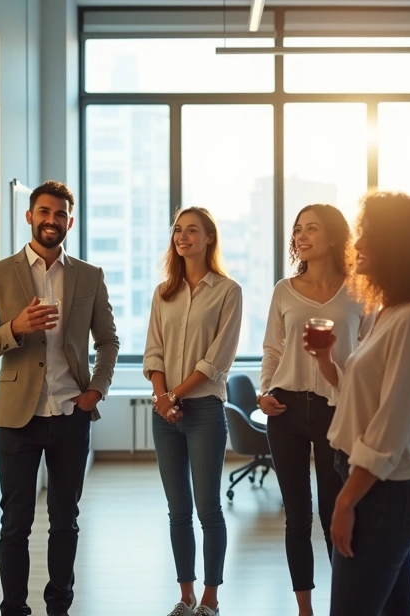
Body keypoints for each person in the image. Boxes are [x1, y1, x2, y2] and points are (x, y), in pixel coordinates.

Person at [315, 191, 410, 616]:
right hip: (374, 484)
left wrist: (345, 501)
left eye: (368, 235)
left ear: (397, 246)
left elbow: (390, 425)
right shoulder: (387, 312)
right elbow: (356, 394)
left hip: (386, 492)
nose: (357, 244)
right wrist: (326, 360)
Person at [0, 180, 119, 616]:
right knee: (15, 524)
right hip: (18, 416)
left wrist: (97, 388)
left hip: (72, 412)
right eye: (44, 212)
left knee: (65, 521)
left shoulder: (89, 275)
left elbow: (107, 340)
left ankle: (60, 608)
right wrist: (16, 327)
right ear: (29, 215)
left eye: (60, 215)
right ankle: (13, 609)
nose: (51, 221)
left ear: (70, 222)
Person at [257, 204, 362, 616]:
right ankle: (305, 609)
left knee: (336, 512)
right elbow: (272, 349)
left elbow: (369, 353)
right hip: (284, 409)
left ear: (334, 236)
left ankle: (345, 605)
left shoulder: (359, 290)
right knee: (297, 516)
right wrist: (264, 391)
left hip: (337, 410)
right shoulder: (284, 289)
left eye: (311, 229)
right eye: (297, 229)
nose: (301, 236)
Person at [143, 207, 243, 616]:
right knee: (178, 511)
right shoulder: (163, 292)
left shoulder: (228, 291)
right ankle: (185, 596)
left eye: (192, 230)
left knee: (208, 509)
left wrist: (174, 397)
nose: (182, 236)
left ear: (208, 239)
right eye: (177, 230)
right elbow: (154, 351)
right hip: (164, 415)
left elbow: (217, 359)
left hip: (202, 413)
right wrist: (161, 396)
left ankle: (210, 598)